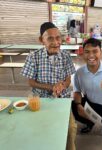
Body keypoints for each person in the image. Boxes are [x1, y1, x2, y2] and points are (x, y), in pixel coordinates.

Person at [21, 22, 77, 150]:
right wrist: (51, 87)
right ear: (42, 40)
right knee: (41, 126)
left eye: (58, 38)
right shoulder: (33, 57)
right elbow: (31, 82)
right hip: (40, 98)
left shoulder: (66, 56)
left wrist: (62, 85)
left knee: (71, 128)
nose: (56, 42)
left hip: (62, 98)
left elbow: (68, 80)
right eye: (50, 38)